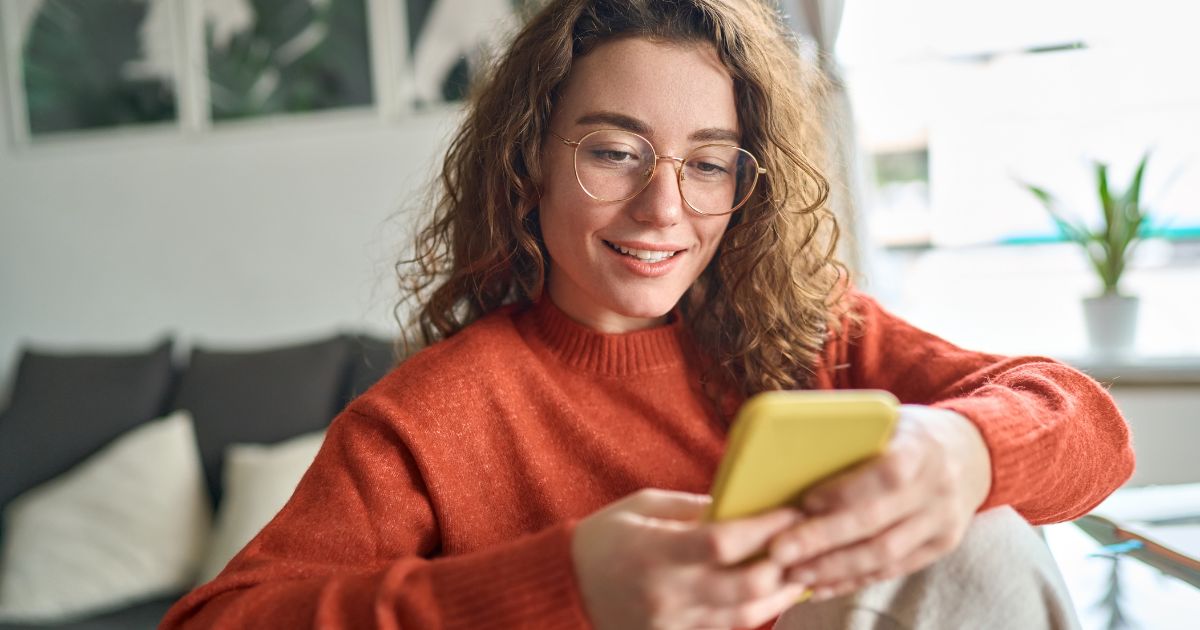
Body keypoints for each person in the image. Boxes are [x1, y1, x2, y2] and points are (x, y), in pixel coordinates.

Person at [161, 0, 1134, 628]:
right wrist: (565, 586)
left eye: (708, 163)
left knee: (989, 531)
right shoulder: (425, 422)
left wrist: (962, 452)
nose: (663, 209)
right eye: (614, 151)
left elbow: (1089, 428)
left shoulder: (815, 334)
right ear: (531, 159)